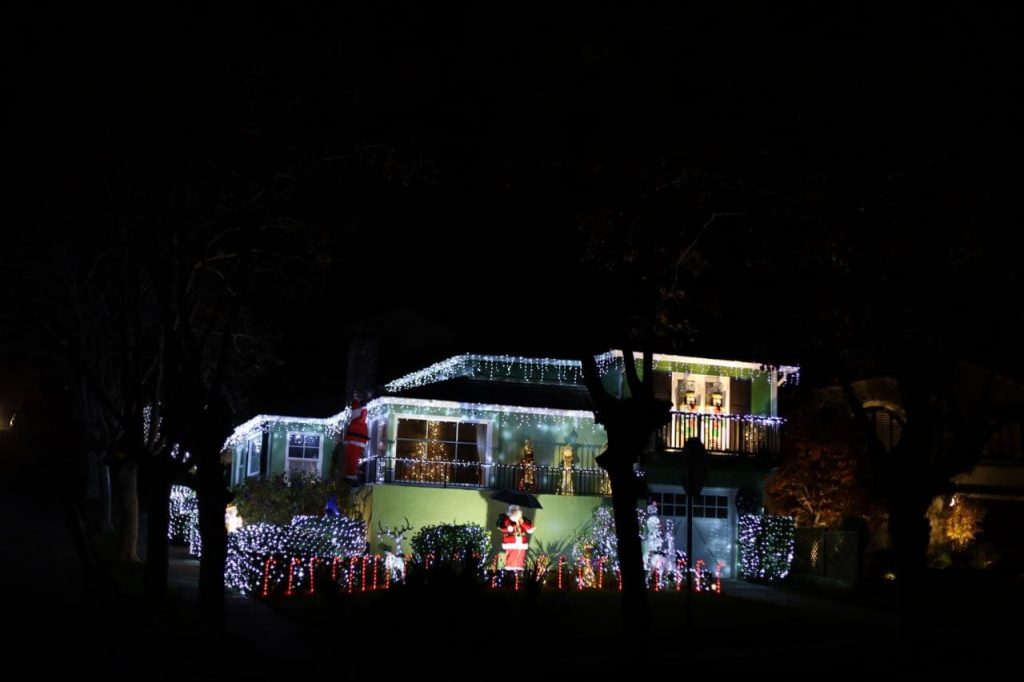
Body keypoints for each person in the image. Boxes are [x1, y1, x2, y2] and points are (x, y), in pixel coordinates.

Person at [496, 504, 534, 571]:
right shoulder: (506, 519)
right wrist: (512, 527)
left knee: (520, 558)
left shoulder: (523, 520)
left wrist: (522, 523)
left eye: (516, 510)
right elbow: (502, 528)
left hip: (521, 543)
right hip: (511, 542)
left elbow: (530, 529)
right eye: (513, 510)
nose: (514, 512)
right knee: (511, 558)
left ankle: (518, 572)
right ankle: (510, 572)